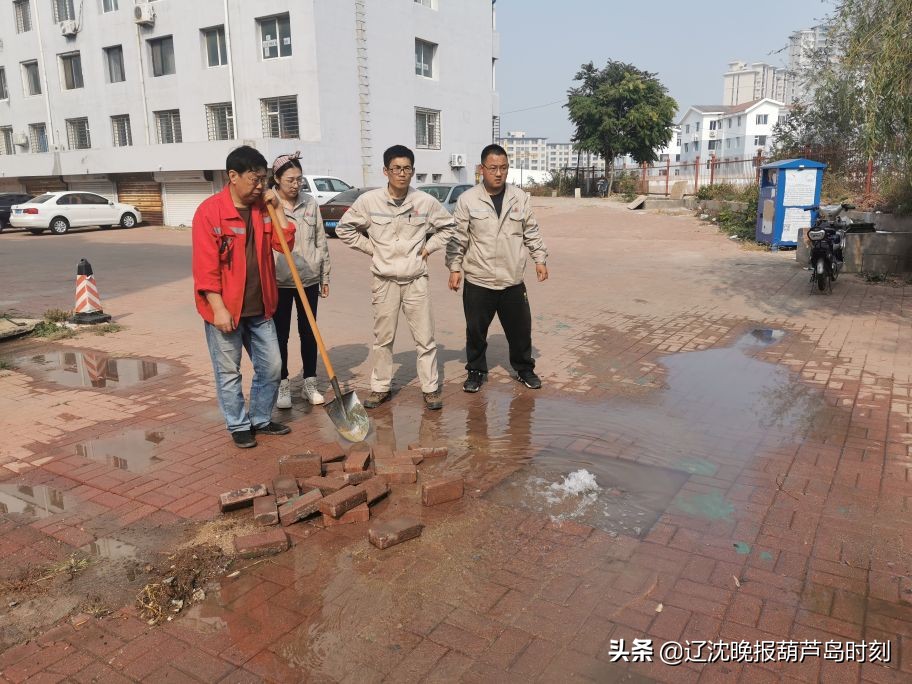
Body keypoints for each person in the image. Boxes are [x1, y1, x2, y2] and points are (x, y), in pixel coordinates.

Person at [336, 144, 456, 411]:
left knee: (425, 339)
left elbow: (449, 227)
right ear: (386, 171)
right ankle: (380, 387)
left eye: (407, 169)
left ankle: (430, 388)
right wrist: (372, 249)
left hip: (416, 280)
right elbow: (345, 229)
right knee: (383, 339)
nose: (402, 173)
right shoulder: (369, 202)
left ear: (413, 171)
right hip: (384, 281)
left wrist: (429, 248)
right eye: (396, 168)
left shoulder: (424, 202)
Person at [192, 145, 296, 449]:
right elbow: (205, 268)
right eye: (255, 179)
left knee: (273, 366)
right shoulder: (210, 212)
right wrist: (218, 308)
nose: (260, 186)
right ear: (233, 176)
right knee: (228, 372)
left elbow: (284, 245)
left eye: (263, 179)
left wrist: (278, 208)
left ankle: (260, 418)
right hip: (226, 310)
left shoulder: (264, 209)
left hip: (261, 307)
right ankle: (238, 424)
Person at [447, 143, 549, 393]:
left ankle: (524, 369)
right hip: (479, 279)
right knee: (476, 331)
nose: (499, 173)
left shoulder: (519, 197)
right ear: (482, 169)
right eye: (493, 168)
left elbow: (531, 231)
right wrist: (454, 267)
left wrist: (540, 259)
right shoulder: (468, 199)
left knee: (521, 330)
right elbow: (458, 237)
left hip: (512, 279)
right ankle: (475, 371)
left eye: (503, 167)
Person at [270, 152, 331, 410]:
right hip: (280, 280)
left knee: (309, 332)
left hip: (307, 278)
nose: (296, 185)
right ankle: (282, 384)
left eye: (299, 179)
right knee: (280, 335)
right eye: (290, 180)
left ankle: (310, 383)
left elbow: (321, 240)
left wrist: (324, 275)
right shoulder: (269, 205)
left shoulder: (309, 203)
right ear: (277, 179)